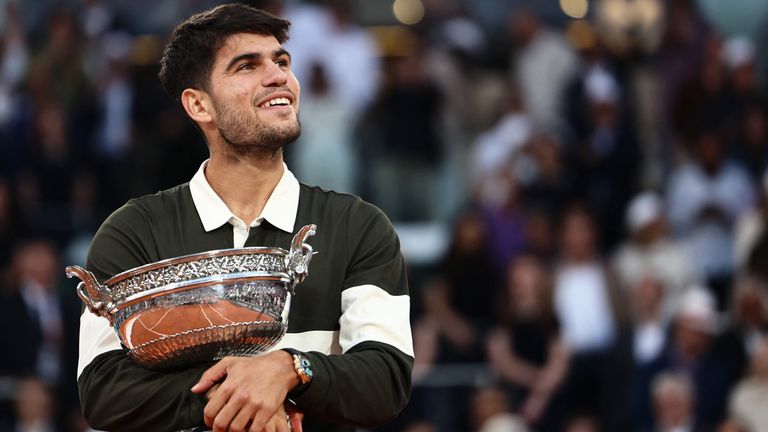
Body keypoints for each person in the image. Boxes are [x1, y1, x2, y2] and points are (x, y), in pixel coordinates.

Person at [75, 4, 413, 431]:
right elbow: (105, 391)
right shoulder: (133, 232)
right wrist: (246, 393)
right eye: (247, 66)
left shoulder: (359, 226)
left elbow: (386, 379)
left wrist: (289, 370)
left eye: (282, 61)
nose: (279, 77)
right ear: (200, 105)